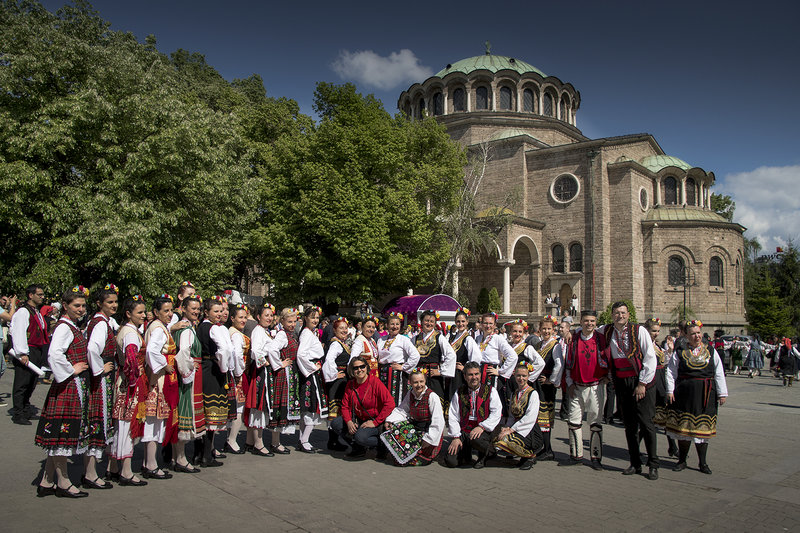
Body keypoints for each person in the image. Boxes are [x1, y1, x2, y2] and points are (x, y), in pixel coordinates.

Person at [34, 286, 91, 498]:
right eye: (76, 305)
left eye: (83, 305)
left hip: (71, 386)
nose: (81, 309)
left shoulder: (70, 326)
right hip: (67, 387)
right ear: (65, 306)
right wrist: (72, 369)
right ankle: (64, 482)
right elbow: (54, 354)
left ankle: (47, 481)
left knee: (59, 435)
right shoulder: (64, 328)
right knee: (62, 436)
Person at [600, 301, 659, 480]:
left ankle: (653, 464)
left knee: (646, 423)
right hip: (621, 381)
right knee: (630, 425)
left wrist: (642, 383)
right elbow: (588, 329)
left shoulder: (639, 331)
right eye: (617, 313)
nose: (620, 316)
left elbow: (650, 357)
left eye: (623, 313)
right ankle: (635, 463)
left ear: (628, 315)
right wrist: (570, 334)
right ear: (612, 315)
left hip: (639, 380)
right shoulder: (607, 330)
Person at [666, 319, 728, 474]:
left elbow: (719, 372)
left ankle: (703, 463)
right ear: (687, 336)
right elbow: (671, 372)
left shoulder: (711, 351)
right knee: (683, 429)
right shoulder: (680, 352)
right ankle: (682, 460)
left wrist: (722, 393)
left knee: (702, 430)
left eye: (698, 333)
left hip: (705, 395)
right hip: (684, 394)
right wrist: (670, 391)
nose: (697, 336)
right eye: (693, 334)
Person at [106, 295, 148, 486]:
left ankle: (113, 467)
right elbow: (131, 359)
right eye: (140, 312)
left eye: (144, 312)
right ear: (129, 314)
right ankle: (126, 471)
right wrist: (134, 382)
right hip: (131, 385)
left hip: (125, 381)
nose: (143, 315)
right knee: (128, 426)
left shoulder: (127, 330)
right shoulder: (131, 333)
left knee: (121, 426)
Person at [561, 310, 608, 470]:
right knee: (573, 421)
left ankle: (596, 457)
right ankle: (576, 455)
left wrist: (608, 376)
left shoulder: (601, 338)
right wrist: (569, 383)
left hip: (595, 386)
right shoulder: (573, 338)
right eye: (586, 321)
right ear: (580, 322)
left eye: (592, 321)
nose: (589, 323)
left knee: (595, 422)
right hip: (577, 385)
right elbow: (568, 362)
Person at [83, 284, 120, 488]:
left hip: (103, 376)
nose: (114, 305)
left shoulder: (102, 321)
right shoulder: (100, 324)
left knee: (99, 420)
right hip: (101, 380)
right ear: (99, 303)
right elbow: (92, 349)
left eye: (115, 302)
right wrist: (100, 369)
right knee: (97, 420)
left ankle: (92, 471)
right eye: (109, 302)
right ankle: (90, 474)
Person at [329, 356, 395, 458]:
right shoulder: (350, 384)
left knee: (360, 437)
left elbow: (390, 403)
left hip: (375, 420)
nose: (359, 370)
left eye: (362, 366)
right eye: (356, 368)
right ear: (352, 371)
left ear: (366, 367)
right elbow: (345, 406)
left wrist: (375, 422)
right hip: (359, 419)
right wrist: (349, 422)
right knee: (336, 423)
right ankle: (358, 448)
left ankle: (382, 444)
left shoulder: (375, 382)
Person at [140, 295, 176, 480]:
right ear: (156, 312)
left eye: (171, 310)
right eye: (166, 311)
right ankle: (151, 464)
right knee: (153, 423)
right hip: (157, 380)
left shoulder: (158, 327)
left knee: (154, 422)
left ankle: (148, 462)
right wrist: (164, 365)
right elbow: (152, 350)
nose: (170, 314)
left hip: (157, 378)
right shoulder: (158, 329)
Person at [445, 361, 502, 469]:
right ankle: (466, 453)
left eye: (476, 374)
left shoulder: (490, 391)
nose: (474, 377)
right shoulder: (459, 392)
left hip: (483, 431)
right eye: (470, 375)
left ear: (480, 375)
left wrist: (482, 427)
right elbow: (453, 415)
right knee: (451, 461)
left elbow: (496, 413)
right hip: (465, 430)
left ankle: (488, 452)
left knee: (476, 439)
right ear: (465, 376)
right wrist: (456, 437)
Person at [382, 369, 444, 466]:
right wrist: (390, 420)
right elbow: (402, 410)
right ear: (410, 383)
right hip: (416, 428)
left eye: (421, 381)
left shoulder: (432, 396)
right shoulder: (411, 393)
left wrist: (429, 439)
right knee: (395, 427)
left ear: (425, 381)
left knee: (418, 457)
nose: (419, 385)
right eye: (415, 382)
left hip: (428, 430)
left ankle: (417, 455)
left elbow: (438, 420)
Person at [170, 295, 204, 472]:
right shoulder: (187, 329)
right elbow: (183, 352)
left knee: (182, 412)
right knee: (185, 411)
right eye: (193, 308)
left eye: (198, 309)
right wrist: (189, 369)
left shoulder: (185, 327)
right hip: (187, 376)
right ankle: (181, 458)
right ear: (183, 308)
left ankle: (176, 457)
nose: (196, 311)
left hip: (185, 374)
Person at [197, 297, 231, 467]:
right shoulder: (213, 328)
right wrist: (224, 368)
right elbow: (224, 350)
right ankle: (206, 455)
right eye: (215, 311)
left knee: (203, 412)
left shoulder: (199, 327)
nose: (219, 314)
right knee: (212, 413)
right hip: (212, 369)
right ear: (206, 312)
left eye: (220, 311)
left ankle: (199, 454)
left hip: (203, 368)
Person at [9, 284, 49, 425]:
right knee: (22, 382)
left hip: (36, 350)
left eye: (43, 294)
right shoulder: (23, 312)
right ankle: (18, 413)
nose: (42, 297)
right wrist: (22, 353)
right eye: (39, 294)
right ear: (30, 295)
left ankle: (25, 409)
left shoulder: (35, 311)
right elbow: (18, 332)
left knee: (32, 382)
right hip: (27, 350)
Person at [494, 363, 543, 470]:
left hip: (530, 431)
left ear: (528, 376)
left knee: (505, 440)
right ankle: (523, 456)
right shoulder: (515, 393)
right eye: (518, 376)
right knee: (497, 437)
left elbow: (530, 417)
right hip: (517, 428)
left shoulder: (533, 394)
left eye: (524, 376)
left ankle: (530, 455)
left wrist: (511, 430)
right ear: (514, 376)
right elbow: (512, 416)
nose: (521, 378)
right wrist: (506, 428)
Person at [242, 303, 276, 457]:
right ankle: (258, 443)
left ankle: (250, 441)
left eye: (271, 315)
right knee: (259, 406)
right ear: (258, 317)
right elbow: (255, 351)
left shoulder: (264, 331)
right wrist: (265, 362)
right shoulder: (258, 331)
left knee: (260, 405)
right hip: (261, 372)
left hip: (263, 371)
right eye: (266, 315)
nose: (269, 318)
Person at [267, 307, 301, 454]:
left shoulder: (290, 334)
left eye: (294, 321)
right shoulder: (282, 335)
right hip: (284, 374)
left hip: (290, 373)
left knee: (285, 405)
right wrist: (280, 364)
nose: (292, 324)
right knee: (281, 405)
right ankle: (275, 442)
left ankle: (276, 441)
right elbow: (272, 349)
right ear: (282, 321)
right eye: (289, 322)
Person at [295, 306, 328, 453]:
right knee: (312, 407)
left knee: (309, 407)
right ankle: (304, 440)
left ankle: (303, 439)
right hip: (311, 374)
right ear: (305, 318)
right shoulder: (307, 334)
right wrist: (312, 367)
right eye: (312, 317)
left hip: (311, 373)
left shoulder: (310, 333)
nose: (315, 320)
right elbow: (301, 354)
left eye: (317, 317)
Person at [645, 317, 678, 458]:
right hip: (651, 381)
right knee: (649, 419)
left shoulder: (656, 345)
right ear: (647, 331)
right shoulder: (645, 345)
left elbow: (664, 363)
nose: (656, 333)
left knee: (664, 416)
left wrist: (669, 351)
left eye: (658, 331)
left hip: (660, 381)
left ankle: (672, 446)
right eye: (654, 331)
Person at [533, 315, 563, 461]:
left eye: (549, 329)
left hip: (547, 385)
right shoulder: (539, 345)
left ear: (553, 330)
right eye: (544, 328)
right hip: (538, 384)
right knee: (539, 416)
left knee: (546, 416)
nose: (546, 331)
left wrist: (551, 381)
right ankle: (542, 447)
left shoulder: (555, 345)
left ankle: (548, 449)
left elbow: (559, 364)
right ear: (539, 329)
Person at [412, 310, 457, 407]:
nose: (429, 323)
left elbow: (451, 355)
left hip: (433, 376)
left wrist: (441, 371)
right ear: (421, 322)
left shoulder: (439, 337)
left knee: (435, 401)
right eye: (426, 320)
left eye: (432, 321)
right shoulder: (415, 338)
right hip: (419, 375)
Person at [377, 312, 420, 405]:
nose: (395, 326)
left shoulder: (403, 339)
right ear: (387, 325)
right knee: (382, 398)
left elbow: (415, 355)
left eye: (397, 324)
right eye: (392, 324)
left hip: (395, 374)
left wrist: (403, 367)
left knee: (395, 400)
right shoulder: (381, 340)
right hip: (382, 373)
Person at [322, 316, 351, 451]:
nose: (344, 330)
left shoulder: (341, 343)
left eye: (345, 328)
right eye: (341, 328)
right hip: (337, 381)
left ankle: (334, 440)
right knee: (335, 408)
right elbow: (329, 360)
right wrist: (334, 374)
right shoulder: (335, 344)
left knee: (338, 408)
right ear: (334, 330)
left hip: (341, 380)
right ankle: (333, 441)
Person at [472, 312, 518, 399]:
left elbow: (513, 356)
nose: (488, 326)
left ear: (494, 325)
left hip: (490, 374)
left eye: (490, 323)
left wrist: (500, 371)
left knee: (491, 399)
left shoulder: (498, 338)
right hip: (479, 373)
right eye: (485, 323)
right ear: (481, 324)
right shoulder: (478, 338)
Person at [225, 303, 250, 454]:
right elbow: (237, 355)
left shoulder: (232, 332)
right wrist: (239, 373)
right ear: (232, 318)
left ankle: (229, 439)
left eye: (245, 317)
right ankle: (232, 440)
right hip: (237, 374)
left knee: (235, 407)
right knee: (238, 408)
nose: (243, 320)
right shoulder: (236, 335)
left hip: (234, 372)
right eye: (240, 317)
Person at [447, 308, 480, 405]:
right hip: (452, 373)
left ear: (467, 322)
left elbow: (476, 358)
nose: (460, 324)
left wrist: (465, 368)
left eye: (463, 321)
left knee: (459, 399)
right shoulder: (453, 337)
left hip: (460, 375)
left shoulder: (468, 339)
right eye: (458, 321)